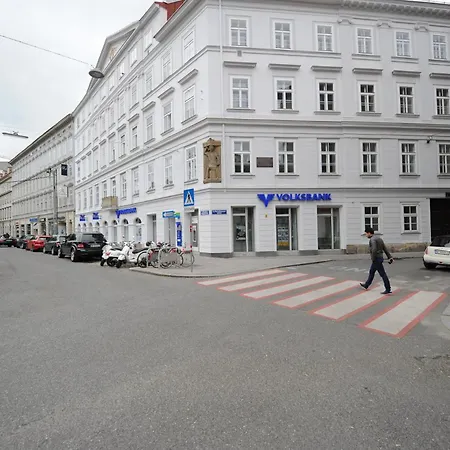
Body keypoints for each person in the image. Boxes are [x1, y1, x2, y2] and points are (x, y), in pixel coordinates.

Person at [360, 227, 394, 294]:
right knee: (371, 272)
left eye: (366, 234)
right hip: (379, 258)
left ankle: (388, 289)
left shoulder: (372, 240)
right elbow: (385, 248)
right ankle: (366, 285)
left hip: (376, 259)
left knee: (382, 274)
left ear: (369, 233)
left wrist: (373, 258)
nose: (366, 235)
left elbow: (374, 249)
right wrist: (390, 257)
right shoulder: (379, 239)